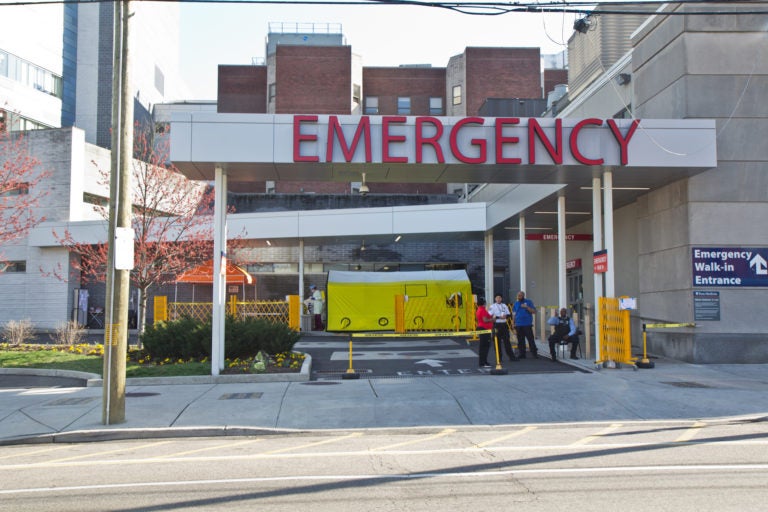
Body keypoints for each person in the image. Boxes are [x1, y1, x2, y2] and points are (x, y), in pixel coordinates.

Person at [487, 294, 518, 362]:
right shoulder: (492, 306)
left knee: (507, 341)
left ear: (501, 298)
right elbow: (489, 316)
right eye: (497, 298)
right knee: (497, 342)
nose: (498, 299)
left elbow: (509, 314)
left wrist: (505, 317)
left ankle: (511, 357)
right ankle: (499, 358)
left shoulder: (504, 305)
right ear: (495, 299)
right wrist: (498, 317)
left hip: (504, 325)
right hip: (496, 325)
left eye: (500, 298)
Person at [513, 290, 538, 358]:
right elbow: (514, 314)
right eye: (518, 295)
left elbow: (534, 311)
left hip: (527, 324)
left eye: (520, 295)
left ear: (523, 296)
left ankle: (534, 353)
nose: (519, 297)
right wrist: (513, 323)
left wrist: (526, 307)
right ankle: (522, 354)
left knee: (530, 339)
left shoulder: (528, 302)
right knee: (520, 340)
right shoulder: (516, 303)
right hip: (518, 324)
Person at [475, 297, 494, 368]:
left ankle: (484, 361)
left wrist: (491, 316)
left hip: (482, 328)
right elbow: (485, 320)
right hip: (484, 328)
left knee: (484, 346)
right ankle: (483, 362)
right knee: (485, 346)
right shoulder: (482, 310)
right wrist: (492, 320)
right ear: (484, 303)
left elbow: (486, 317)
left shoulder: (479, 309)